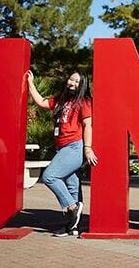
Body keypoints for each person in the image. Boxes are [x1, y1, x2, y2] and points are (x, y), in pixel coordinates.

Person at [27, 70, 97, 237]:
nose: (71, 83)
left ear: (82, 85)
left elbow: (88, 125)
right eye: (70, 79)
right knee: (72, 186)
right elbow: (42, 103)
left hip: (75, 146)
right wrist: (30, 83)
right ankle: (72, 227)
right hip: (62, 147)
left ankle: (73, 208)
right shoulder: (62, 100)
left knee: (50, 176)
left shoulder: (84, 102)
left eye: (76, 81)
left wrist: (88, 148)